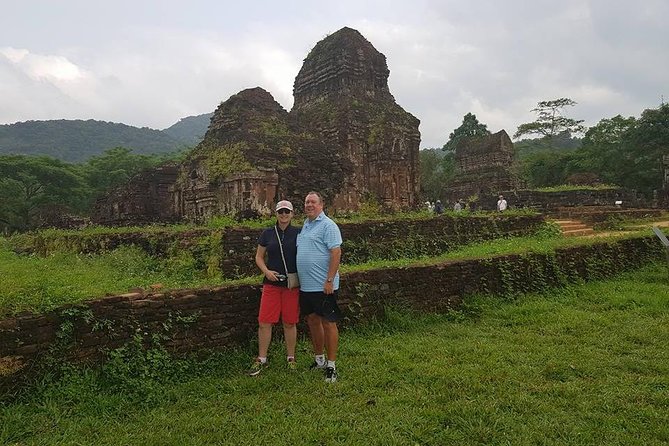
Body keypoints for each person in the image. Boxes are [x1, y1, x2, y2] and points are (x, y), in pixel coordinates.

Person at [248, 200, 301, 376]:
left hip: (290, 284)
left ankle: (291, 357)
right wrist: (267, 271)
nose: (284, 215)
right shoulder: (268, 234)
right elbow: (259, 256)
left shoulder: (299, 233)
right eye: (281, 212)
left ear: (292, 214)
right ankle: (262, 357)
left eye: (287, 212)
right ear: (276, 214)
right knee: (264, 322)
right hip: (271, 282)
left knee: (290, 321)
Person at [297, 191, 343, 383]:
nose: (309, 205)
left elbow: (336, 252)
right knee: (313, 321)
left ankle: (331, 366)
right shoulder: (306, 225)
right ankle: (319, 359)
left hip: (324, 285)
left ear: (321, 205)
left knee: (328, 322)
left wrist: (330, 280)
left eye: (313, 202)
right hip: (306, 286)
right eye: (307, 202)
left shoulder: (328, 225)